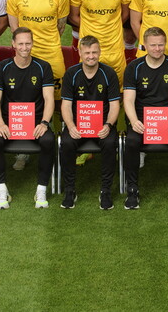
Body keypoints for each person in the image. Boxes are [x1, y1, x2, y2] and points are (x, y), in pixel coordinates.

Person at [123, 27, 168, 209]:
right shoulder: (133, 67)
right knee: (130, 142)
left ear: (165, 44)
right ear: (144, 45)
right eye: (153, 45)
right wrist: (134, 122)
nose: (157, 49)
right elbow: (128, 100)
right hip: (141, 122)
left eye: (160, 45)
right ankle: (132, 190)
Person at [0, 28, 56, 209]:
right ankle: (2, 189)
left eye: (28, 43)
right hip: (9, 123)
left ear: (32, 44)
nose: (24, 47)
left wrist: (44, 122)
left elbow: (49, 98)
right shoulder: (2, 68)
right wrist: (0, 124)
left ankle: (41, 189)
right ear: (13, 44)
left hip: (36, 123)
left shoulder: (43, 67)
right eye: (21, 43)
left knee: (49, 140)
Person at [59, 36, 121, 209]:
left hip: (102, 126)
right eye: (87, 53)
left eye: (94, 52)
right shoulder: (71, 73)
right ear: (80, 53)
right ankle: (70, 189)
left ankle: (106, 190)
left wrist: (108, 125)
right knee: (66, 143)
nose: (91, 56)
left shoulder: (109, 74)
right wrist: (71, 126)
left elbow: (115, 105)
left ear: (100, 52)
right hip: (78, 127)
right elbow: (66, 105)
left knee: (110, 144)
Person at [7, 0, 70, 90]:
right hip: (27, 52)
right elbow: (14, 27)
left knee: (58, 95)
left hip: (52, 52)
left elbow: (61, 26)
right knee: (27, 92)